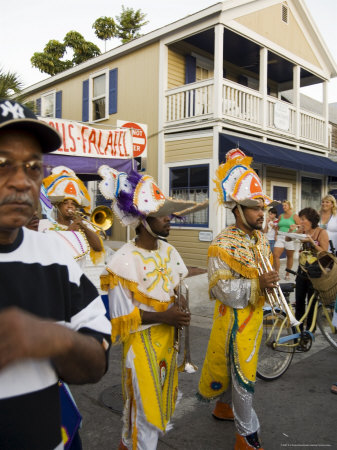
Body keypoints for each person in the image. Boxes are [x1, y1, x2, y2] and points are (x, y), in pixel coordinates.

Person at [0, 99, 111, 449]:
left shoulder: (54, 255)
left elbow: (96, 362)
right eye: (2, 164)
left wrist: (56, 339)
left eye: (33, 168)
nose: (21, 182)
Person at [98, 165, 207, 450]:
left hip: (167, 345)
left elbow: (177, 287)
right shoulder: (123, 260)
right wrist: (164, 316)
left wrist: (180, 305)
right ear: (144, 219)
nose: (169, 219)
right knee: (146, 411)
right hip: (141, 343)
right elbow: (120, 317)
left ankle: (128, 443)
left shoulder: (170, 251)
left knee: (153, 408)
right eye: (163, 214)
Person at [197, 149, 279, 450]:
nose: (262, 213)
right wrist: (259, 284)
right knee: (244, 374)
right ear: (236, 209)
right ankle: (246, 435)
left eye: (262, 207)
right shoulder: (221, 245)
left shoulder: (258, 238)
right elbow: (223, 291)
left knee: (238, 366)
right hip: (233, 320)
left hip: (254, 317)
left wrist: (268, 281)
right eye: (254, 208)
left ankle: (223, 407)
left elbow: (264, 273)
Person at [40, 166, 104, 265]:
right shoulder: (46, 225)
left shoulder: (82, 226)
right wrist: (69, 231)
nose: (70, 206)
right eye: (66, 203)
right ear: (58, 205)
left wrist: (84, 227)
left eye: (73, 204)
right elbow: (48, 252)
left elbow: (98, 247)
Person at [295, 207, 329, 331]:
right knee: (299, 301)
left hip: (315, 272)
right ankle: (298, 330)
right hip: (302, 270)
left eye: (303, 219)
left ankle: (310, 330)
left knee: (312, 302)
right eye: (300, 219)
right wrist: (296, 230)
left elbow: (325, 253)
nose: (301, 222)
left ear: (311, 219)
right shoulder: (303, 231)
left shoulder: (321, 232)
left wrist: (313, 243)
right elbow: (287, 238)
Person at [273, 200, 300, 279]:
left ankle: (287, 274)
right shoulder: (281, 215)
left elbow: (300, 226)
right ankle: (276, 273)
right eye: (283, 205)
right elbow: (277, 226)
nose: (283, 207)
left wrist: (296, 230)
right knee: (275, 255)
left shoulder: (294, 216)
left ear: (290, 206)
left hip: (290, 237)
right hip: (280, 236)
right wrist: (275, 234)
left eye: (285, 205)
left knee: (289, 256)